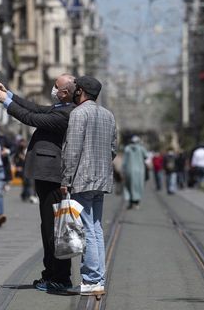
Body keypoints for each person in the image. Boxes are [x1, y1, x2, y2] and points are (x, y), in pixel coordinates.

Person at [0, 73, 76, 293]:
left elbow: (32, 118)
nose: (53, 89)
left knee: (54, 229)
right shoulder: (60, 108)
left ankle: (59, 277)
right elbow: (35, 108)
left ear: (65, 92)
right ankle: (52, 274)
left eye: (56, 87)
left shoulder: (67, 113)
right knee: (48, 226)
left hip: (52, 176)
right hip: (47, 176)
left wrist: (5, 102)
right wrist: (8, 93)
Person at [61, 76, 116, 296]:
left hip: (82, 179)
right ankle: (98, 278)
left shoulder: (78, 114)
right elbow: (113, 148)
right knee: (95, 227)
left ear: (80, 91)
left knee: (87, 230)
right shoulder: (108, 115)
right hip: (100, 179)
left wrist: (66, 180)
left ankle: (92, 279)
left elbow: (72, 150)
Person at [122, 135, 148, 209]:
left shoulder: (127, 148)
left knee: (129, 186)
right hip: (139, 171)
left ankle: (131, 201)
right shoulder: (141, 148)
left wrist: (123, 170)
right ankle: (136, 202)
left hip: (129, 170)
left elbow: (124, 161)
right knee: (138, 186)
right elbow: (146, 156)